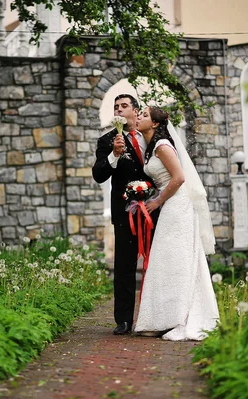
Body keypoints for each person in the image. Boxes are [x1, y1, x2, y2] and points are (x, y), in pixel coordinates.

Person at [133, 106, 219, 341]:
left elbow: (179, 177)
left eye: (144, 115)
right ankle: (162, 318)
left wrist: (158, 200)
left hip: (177, 206)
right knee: (166, 259)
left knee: (175, 259)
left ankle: (179, 317)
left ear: (155, 124)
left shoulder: (162, 146)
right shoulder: (152, 147)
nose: (138, 117)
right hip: (170, 204)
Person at [92, 94, 159, 335]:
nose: (119, 109)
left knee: (157, 262)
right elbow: (99, 175)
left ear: (136, 110)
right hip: (125, 212)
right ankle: (124, 320)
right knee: (124, 266)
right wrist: (114, 155)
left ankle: (158, 316)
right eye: (115, 107)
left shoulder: (150, 134)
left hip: (156, 209)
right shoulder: (108, 140)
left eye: (124, 106)